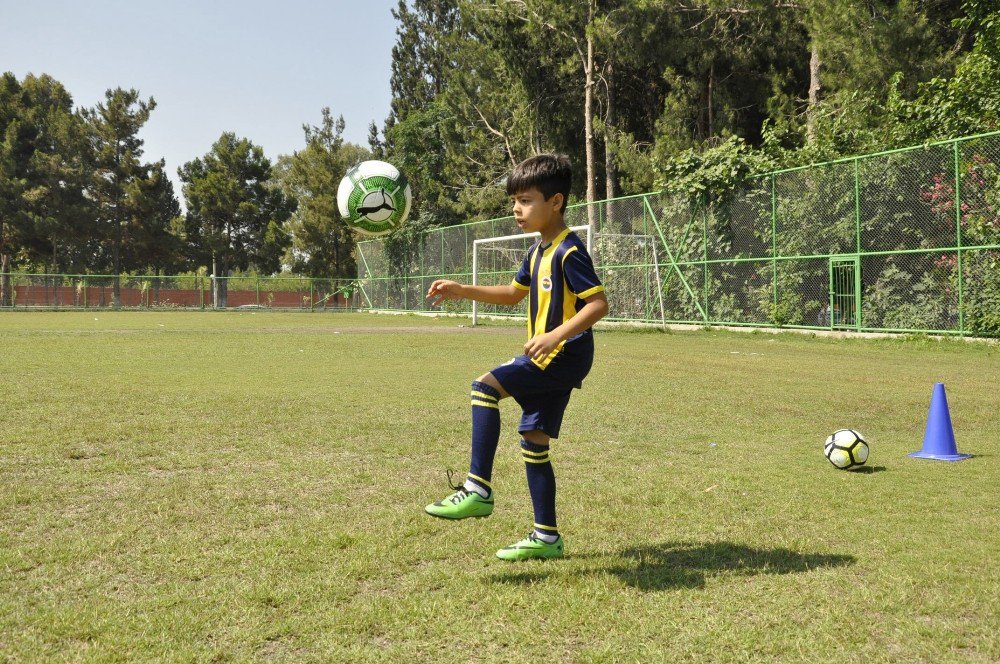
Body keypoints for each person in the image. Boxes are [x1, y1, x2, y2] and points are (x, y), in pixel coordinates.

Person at [423, 154, 609, 561]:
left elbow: (598, 304)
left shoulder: (569, 252)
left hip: (561, 354)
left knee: (484, 387)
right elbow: (512, 294)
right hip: (558, 356)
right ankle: (546, 538)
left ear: (555, 201)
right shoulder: (537, 251)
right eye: (514, 201)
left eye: (525, 200)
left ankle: (478, 489)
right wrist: (461, 290)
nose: (516, 209)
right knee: (534, 442)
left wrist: (554, 335)